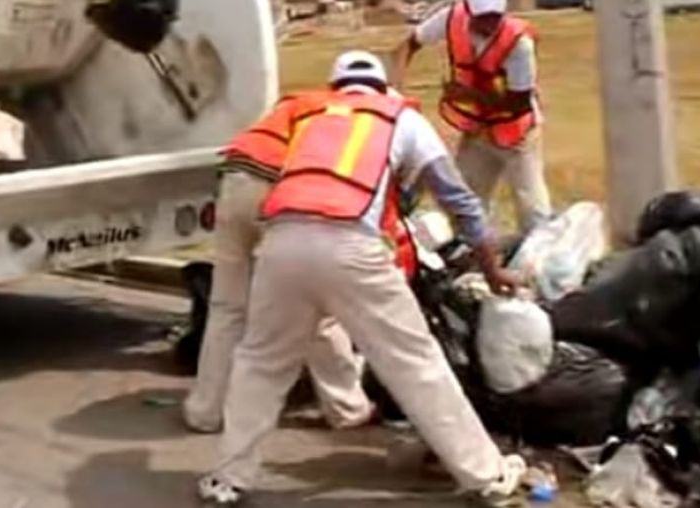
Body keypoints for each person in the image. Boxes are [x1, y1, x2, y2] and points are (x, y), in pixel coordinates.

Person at [199, 50, 526, 507]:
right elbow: (459, 200)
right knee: (414, 362)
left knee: (261, 362)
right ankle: (486, 476)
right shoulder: (399, 118)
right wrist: (492, 267)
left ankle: (227, 480)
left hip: (282, 241)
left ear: (337, 88)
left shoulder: (310, 116)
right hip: (350, 243)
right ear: (382, 88)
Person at [182, 91, 376, 435]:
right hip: (277, 186)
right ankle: (347, 409)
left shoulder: (299, 102)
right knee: (318, 307)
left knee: (227, 307)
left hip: (234, 177)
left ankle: (206, 411)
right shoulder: (358, 121)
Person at [391, 0, 552, 237]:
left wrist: (468, 95)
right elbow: (408, 45)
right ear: (468, 8)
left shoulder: (518, 42)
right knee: (465, 203)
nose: (489, 23)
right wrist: (396, 90)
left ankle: (540, 260)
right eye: (482, 16)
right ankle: (474, 259)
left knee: (532, 208)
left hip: (517, 134)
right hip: (477, 132)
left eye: (495, 15)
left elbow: (519, 104)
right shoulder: (450, 19)